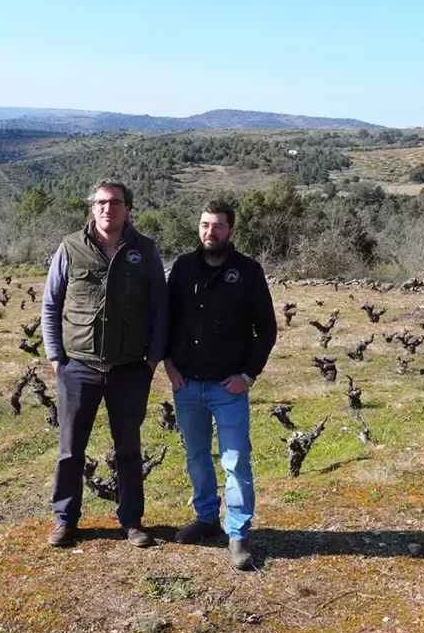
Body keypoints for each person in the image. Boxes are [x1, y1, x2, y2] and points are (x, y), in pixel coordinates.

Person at [41, 179, 167, 548]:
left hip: (130, 368)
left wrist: (152, 361)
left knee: (128, 448)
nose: (107, 208)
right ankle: (65, 519)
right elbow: (51, 304)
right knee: (70, 448)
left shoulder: (145, 250)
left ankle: (132, 522)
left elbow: (161, 308)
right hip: (78, 367)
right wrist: (55, 358)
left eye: (115, 202)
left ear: (127, 208)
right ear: (91, 207)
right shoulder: (70, 247)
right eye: (100, 202)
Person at [164, 201, 277, 570]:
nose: (209, 232)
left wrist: (247, 376)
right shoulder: (182, 268)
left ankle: (238, 533)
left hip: (228, 387)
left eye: (217, 226)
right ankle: (206, 518)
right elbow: (165, 319)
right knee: (196, 456)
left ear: (230, 231)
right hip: (187, 385)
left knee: (235, 461)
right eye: (204, 225)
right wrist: (168, 364)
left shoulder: (247, 271)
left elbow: (267, 330)